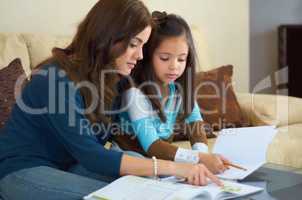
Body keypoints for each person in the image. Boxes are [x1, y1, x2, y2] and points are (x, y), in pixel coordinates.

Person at [0, 1, 221, 200]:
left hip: (70, 165)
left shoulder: (115, 80)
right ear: (109, 37)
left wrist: (184, 165)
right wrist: (176, 167)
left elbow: (113, 144)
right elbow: (92, 155)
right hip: (23, 169)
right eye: (134, 44)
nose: (140, 55)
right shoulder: (54, 79)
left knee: (145, 178)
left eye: (143, 46)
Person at [111, 11, 230, 174]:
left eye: (181, 59)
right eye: (165, 58)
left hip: (162, 164)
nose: (174, 66)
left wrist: (203, 155)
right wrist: (198, 159)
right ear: (147, 56)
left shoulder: (179, 89)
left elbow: (195, 124)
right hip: (132, 161)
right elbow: (152, 146)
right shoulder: (134, 93)